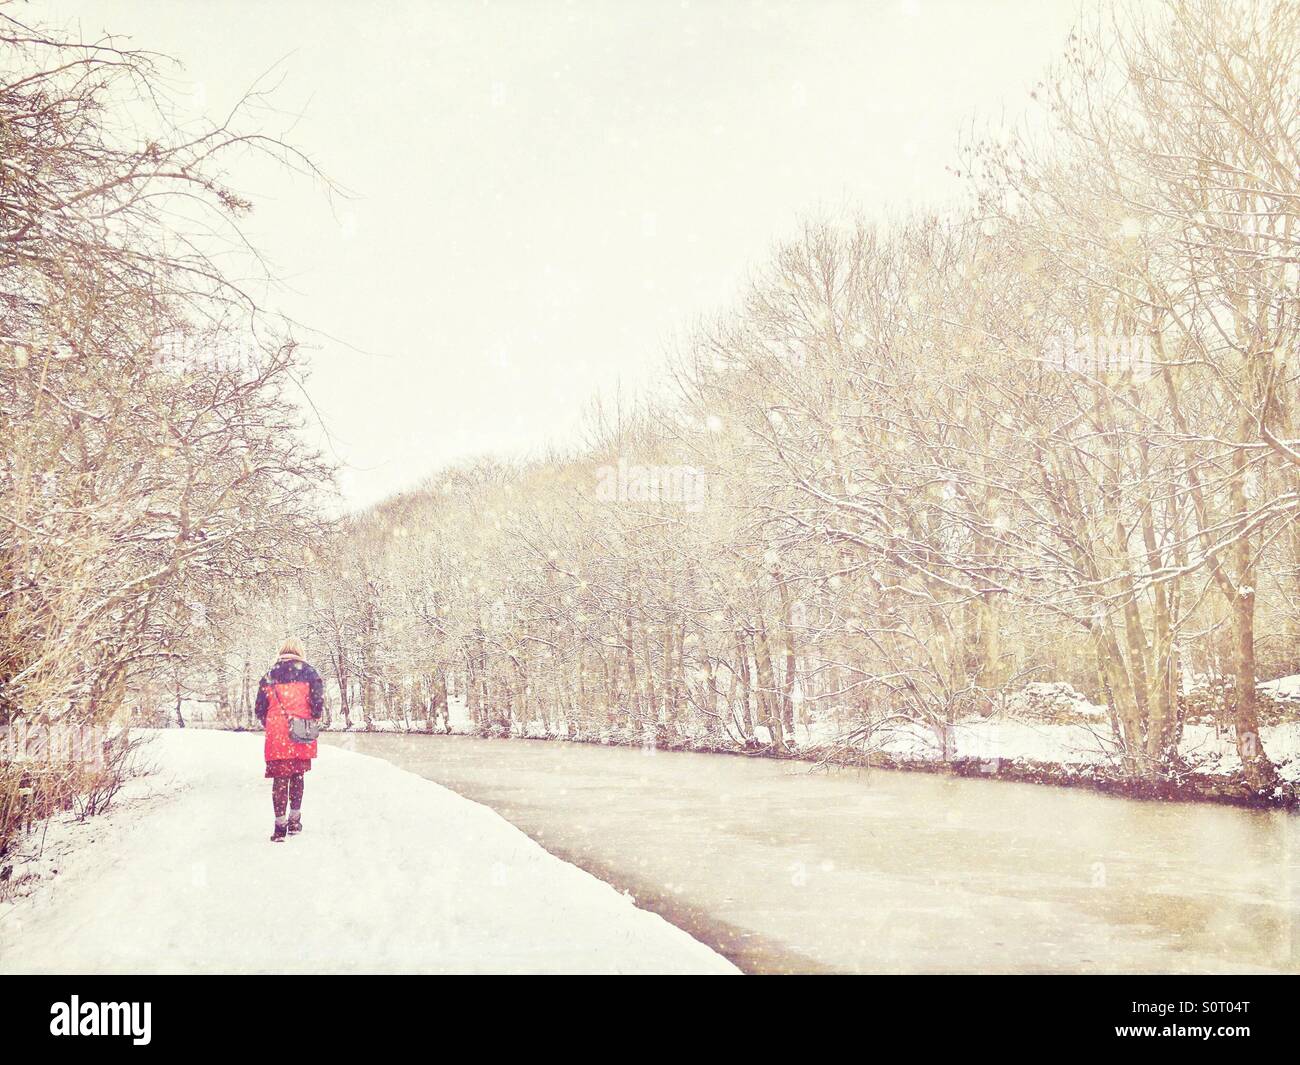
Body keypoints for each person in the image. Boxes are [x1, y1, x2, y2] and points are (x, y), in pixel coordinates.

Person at [254, 638, 325, 842]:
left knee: (280, 779)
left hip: (277, 732)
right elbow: (317, 704)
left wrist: (271, 723)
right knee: (297, 775)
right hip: (301, 731)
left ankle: (279, 827)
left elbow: (259, 708)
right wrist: (310, 718)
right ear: (300, 651)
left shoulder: (269, 675)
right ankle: (295, 821)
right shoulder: (310, 673)